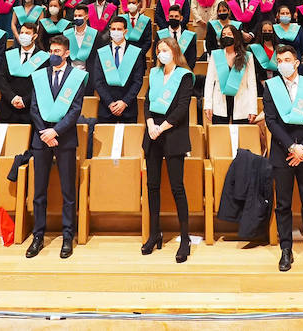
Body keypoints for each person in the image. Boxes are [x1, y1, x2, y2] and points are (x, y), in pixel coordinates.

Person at [264, 44, 303, 272]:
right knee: (283, 205)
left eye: (287, 59)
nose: (283, 64)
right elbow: (271, 121)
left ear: (297, 62)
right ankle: (286, 250)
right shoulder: (271, 87)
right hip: (282, 153)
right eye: (279, 60)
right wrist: (292, 147)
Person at [26, 34, 86, 259]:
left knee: (67, 191)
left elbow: (75, 110)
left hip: (65, 138)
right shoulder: (40, 76)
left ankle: (68, 236)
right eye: (51, 51)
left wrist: (55, 131)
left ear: (67, 53)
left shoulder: (76, 77)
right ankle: (38, 236)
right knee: (39, 191)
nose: (53, 55)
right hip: (41, 138)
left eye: (58, 52)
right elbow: (34, 108)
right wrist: (45, 132)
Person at [142, 35, 195, 262]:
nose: (161, 53)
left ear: (174, 51)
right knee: (152, 186)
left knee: (177, 187)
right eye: (158, 50)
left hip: (173, 134)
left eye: (165, 49)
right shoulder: (154, 74)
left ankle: (185, 239)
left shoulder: (184, 76)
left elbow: (182, 107)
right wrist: (150, 124)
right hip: (153, 133)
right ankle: (155, 233)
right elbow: (146, 102)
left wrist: (161, 127)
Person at [204, 24, 259, 124]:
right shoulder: (216, 55)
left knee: (240, 138)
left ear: (236, 36)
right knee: (220, 136)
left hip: (241, 102)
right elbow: (209, 82)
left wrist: (253, 109)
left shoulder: (247, 56)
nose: (226, 37)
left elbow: (252, 84)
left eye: (229, 34)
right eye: (224, 35)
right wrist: (208, 105)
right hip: (219, 102)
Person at [93, 15, 144, 123]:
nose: (116, 32)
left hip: (128, 108)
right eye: (113, 29)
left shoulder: (135, 52)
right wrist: (110, 103)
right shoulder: (102, 52)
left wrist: (124, 102)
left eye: (119, 29)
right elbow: (98, 81)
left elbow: (137, 81)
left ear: (125, 31)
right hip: (106, 108)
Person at [0, 20, 47, 123]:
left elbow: (42, 85)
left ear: (34, 36)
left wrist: (25, 100)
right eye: (22, 33)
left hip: (30, 111)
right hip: (8, 108)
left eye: (27, 33)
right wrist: (12, 98)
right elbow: (1, 77)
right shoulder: (10, 53)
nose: (24, 35)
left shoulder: (43, 57)